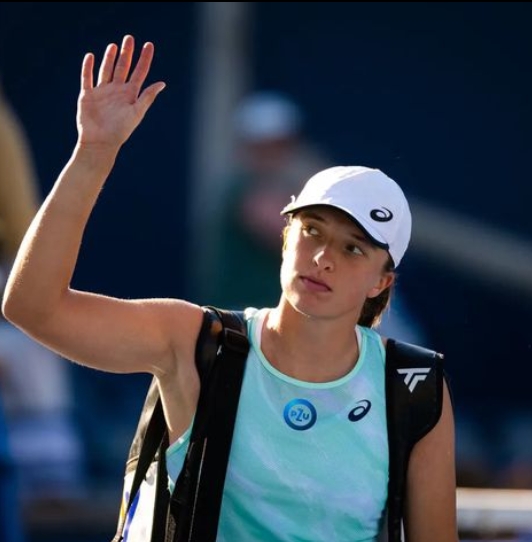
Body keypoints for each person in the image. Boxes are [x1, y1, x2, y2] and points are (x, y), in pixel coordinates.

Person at [2, 35, 457, 541]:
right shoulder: (196, 341)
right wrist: (93, 153)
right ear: (286, 239)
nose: (323, 258)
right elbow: (33, 308)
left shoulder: (413, 385)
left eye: (353, 248)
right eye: (312, 231)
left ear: (382, 282)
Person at [206, 91, 327, 309]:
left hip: (279, 312)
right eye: (264, 146)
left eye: (281, 145)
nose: (274, 154)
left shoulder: (288, 186)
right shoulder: (245, 191)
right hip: (242, 314)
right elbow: (294, 236)